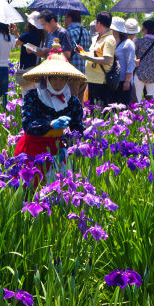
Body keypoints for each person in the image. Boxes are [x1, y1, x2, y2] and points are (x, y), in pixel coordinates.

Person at [15, 40, 85, 183]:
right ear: (46, 77)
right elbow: (28, 124)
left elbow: (78, 129)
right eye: (53, 78)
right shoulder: (33, 96)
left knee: (58, 192)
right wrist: (50, 124)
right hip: (33, 148)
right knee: (32, 191)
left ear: (67, 79)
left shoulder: (72, 102)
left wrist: (69, 143)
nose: (58, 83)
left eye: (62, 78)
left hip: (59, 150)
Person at [77, 11, 116, 107]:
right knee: (91, 109)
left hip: (100, 81)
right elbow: (94, 54)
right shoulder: (99, 37)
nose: (95, 25)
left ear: (99, 23)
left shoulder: (109, 39)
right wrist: (83, 52)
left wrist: (86, 57)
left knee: (98, 111)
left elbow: (107, 60)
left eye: (95, 22)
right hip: (92, 79)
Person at [13, 12, 45, 96]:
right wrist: (16, 33)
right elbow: (24, 43)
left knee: (27, 98)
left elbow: (15, 43)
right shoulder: (41, 37)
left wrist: (10, 32)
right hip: (37, 71)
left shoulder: (27, 35)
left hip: (27, 71)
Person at [134, 20, 154, 102]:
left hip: (139, 73)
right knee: (152, 101)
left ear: (145, 30)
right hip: (153, 75)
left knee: (137, 98)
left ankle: (135, 114)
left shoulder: (139, 42)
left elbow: (134, 55)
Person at [64, 10, 91, 101]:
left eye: (65, 18)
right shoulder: (86, 32)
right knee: (80, 101)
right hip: (85, 72)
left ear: (69, 18)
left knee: (71, 101)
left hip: (72, 72)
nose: (64, 21)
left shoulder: (68, 32)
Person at [109, 17, 135, 105]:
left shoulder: (128, 43)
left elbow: (130, 63)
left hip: (123, 81)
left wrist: (127, 81)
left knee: (122, 106)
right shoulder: (113, 42)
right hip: (113, 80)